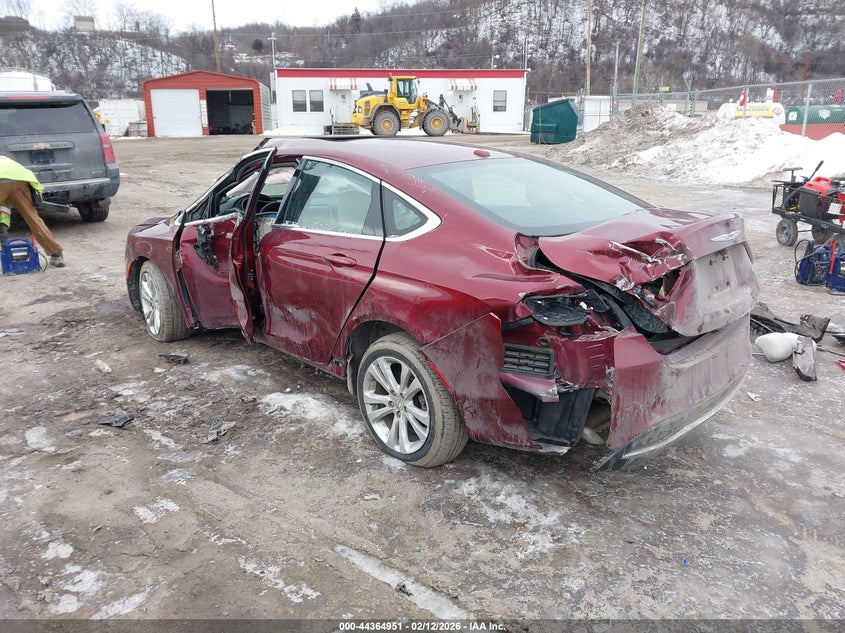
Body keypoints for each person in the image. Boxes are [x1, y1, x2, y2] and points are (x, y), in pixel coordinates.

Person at [0, 155, 65, 267]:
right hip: (19, 180)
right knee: (33, 219)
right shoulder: (6, 159)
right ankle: (56, 254)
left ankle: (1, 227)